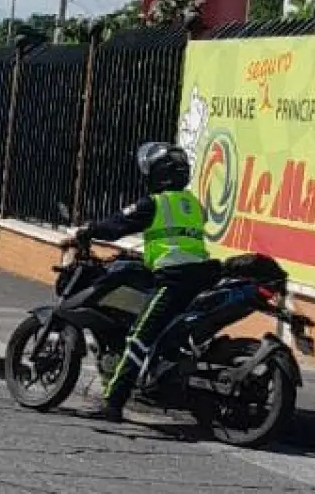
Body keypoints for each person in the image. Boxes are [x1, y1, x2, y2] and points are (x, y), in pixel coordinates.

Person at [60, 141, 219, 423]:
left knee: (137, 338)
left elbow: (117, 224)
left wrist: (86, 231)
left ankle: (113, 403)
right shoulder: (193, 204)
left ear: (156, 173)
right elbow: (173, 238)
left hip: (173, 280)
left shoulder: (154, 204)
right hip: (200, 276)